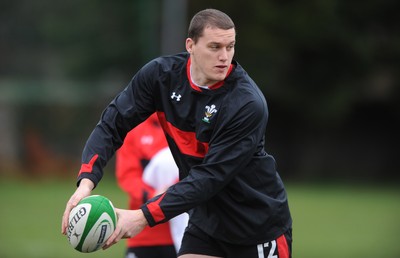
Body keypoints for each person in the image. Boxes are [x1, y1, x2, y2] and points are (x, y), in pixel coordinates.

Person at [62, 8, 292, 258]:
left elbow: (209, 177)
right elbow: (112, 123)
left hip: (257, 228)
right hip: (206, 225)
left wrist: (142, 217)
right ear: (190, 45)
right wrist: (86, 183)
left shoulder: (246, 104)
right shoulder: (161, 77)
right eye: (215, 47)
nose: (224, 56)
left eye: (230, 46)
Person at [115, 113, 184, 258]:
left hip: (185, 233)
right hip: (144, 233)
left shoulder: (190, 126)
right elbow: (128, 176)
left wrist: (175, 195)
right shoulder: (134, 130)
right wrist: (153, 196)